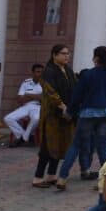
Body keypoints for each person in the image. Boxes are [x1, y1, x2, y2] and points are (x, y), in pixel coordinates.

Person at [57, 46, 106, 190]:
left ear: (97, 58)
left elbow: (77, 96)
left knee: (76, 144)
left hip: (88, 113)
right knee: (103, 147)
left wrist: (70, 111)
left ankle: (62, 177)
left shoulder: (88, 75)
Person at [33, 44, 77, 188]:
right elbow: (51, 92)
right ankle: (38, 177)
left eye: (68, 53)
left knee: (60, 145)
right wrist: (63, 107)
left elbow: (76, 89)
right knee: (47, 146)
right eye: (63, 53)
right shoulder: (48, 72)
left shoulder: (68, 71)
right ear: (54, 55)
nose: (67, 56)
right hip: (52, 115)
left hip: (66, 115)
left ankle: (52, 174)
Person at [4, 64, 44, 146]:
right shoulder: (26, 82)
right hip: (26, 106)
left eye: (42, 72)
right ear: (32, 73)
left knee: (36, 118)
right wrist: (37, 96)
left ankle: (22, 139)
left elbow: (43, 99)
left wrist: (28, 95)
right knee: (8, 118)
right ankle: (24, 136)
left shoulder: (45, 84)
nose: (40, 74)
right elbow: (19, 99)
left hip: (38, 107)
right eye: (38, 72)